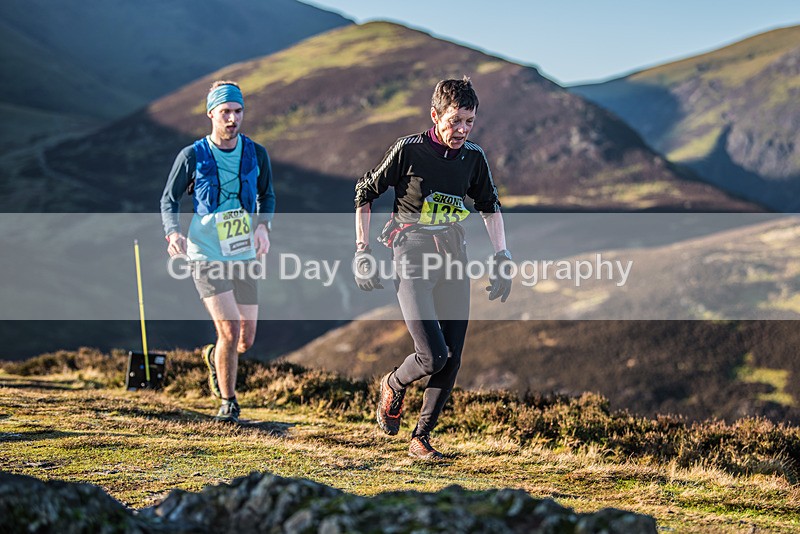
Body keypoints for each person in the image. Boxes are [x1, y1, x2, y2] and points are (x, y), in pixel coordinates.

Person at [354, 77, 513, 459]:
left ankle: (420, 438)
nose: (461, 130)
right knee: (432, 355)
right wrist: (362, 250)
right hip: (411, 252)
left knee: (453, 356)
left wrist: (502, 257)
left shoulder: (473, 156)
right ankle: (394, 382)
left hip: (453, 253)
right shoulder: (408, 150)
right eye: (455, 121)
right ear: (435, 115)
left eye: (469, 122)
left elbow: (490, 206)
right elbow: (364, 192)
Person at [160, 80, 275, 423]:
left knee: (245, 339)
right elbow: (169, 198)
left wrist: (264, 226)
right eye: (225, 112)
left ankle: (215, 357)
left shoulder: (256, 153)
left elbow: (267, 195)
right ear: (211, 113)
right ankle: (228, 401)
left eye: (238, 111)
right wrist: (173, 233)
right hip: (205, 250)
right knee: (229, 331)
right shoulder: (192, 155)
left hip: (242, 251)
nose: (233, 118)